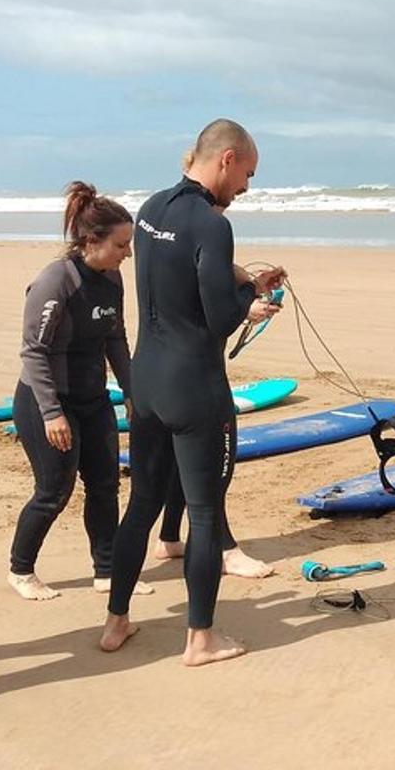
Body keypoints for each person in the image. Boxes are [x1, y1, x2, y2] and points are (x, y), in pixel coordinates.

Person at [101, 119, 286, 665]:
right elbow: (215, 320)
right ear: (226, 159)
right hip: (194, 386)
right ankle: (201, 638)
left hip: (146, 379)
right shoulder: (212, 224)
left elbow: (180, 278)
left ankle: (116, 623)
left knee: (141, 506)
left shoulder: (150, 209)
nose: (247, 187)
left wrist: (242, 285)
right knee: (204, 514)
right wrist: (251, 297)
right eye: (247, 174)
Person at [7, 181, 148, 600]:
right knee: (54, 491)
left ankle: (106, 570)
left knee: (105, 484)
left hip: (92, 398)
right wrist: (52, 413)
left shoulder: (112, 279)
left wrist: (131, 391)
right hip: (44, 400)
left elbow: (115, 339)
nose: (128, 253)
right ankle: (21, 569)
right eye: (121, 245)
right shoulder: (57, 281)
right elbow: (33, 351)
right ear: (91, 240)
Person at [153, 198, 282, 578]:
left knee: (182, 459)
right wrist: (248, 306)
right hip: (198, 372)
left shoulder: (163, 229)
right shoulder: (207, 229)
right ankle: (224, 549)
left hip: (163, 367)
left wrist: (253, 283)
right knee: (213, 465)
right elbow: (217, 315)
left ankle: (169, 536)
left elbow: (213, 273)